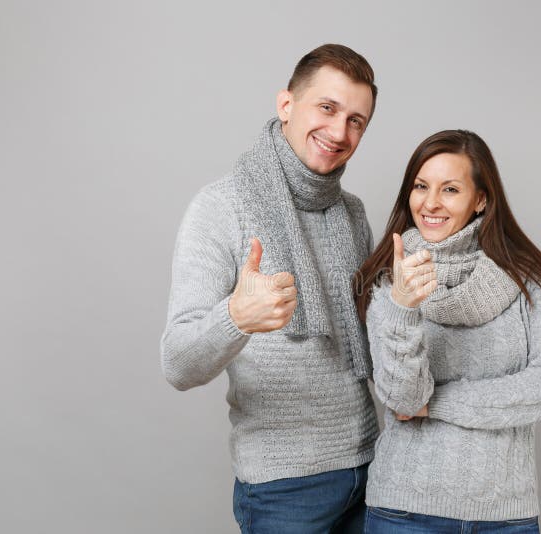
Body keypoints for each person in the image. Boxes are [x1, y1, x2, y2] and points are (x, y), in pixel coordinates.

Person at [161, 44, 380, 533]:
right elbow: (177, 363)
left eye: (356, 120)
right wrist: (235, 319)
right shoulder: (221, 206)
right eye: (327, 108)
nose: (339, 132)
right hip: (283, 490)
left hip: (371, 469)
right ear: (286, 105)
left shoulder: (353, 213)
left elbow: (376, 336)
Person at [353, 130, 541, 533]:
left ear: (481, 199)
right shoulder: (388, 281)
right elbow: (403, 397)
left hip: (505, 516)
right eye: (421, 186)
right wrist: (403, 308)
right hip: (404, 512)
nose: (430, 202)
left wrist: (435, 406)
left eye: (450, 189)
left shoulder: (526, 281)